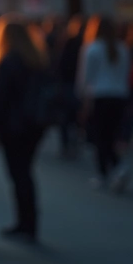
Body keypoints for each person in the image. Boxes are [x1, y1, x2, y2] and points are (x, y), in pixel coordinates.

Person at [0, 18, 52, 243]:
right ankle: (29, 221)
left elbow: (1, 98)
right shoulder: (37, 60)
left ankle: (25, 222)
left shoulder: (8, 62)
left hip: (13, 126)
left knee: (18, 174)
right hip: (35, 123)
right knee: (26, 172)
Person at [79, 16, 133, 191]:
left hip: (100, 96)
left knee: (101, 137)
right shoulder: (123, 48)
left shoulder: (92, 49)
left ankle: (108, 171)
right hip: (120, 96)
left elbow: (86, 78)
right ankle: (115, 169)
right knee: (112, 135)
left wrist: (83, 100)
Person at [55, 17, 85, 158]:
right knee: (73, 115)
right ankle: (75, 138)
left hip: (68, 84)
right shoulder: (86, 43)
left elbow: (61, 65)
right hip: (77, 84)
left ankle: (67, 143)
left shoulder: (70, 42)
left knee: (65, 117)